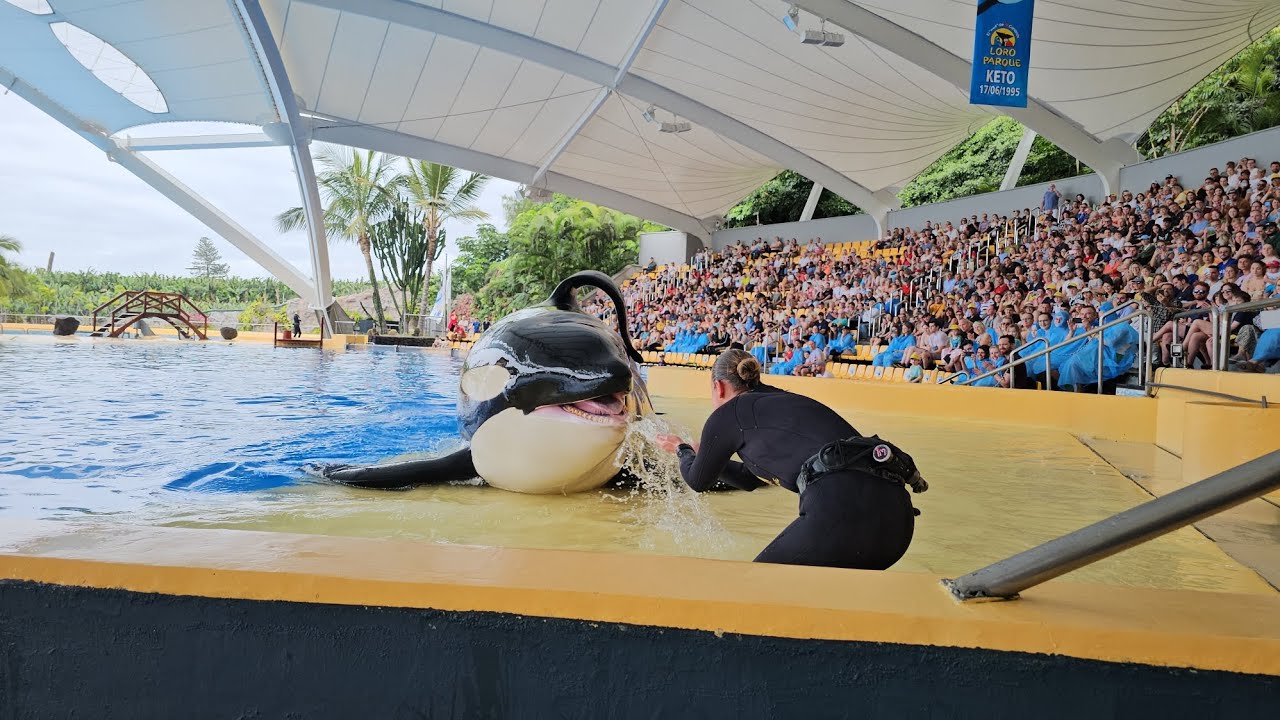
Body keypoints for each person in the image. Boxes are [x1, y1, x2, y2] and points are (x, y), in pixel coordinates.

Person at [655, 350, 926, 570]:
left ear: (718, 386)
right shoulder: (783, 400)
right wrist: (706, 456)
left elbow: (698, 481)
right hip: (896, 524)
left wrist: (682, 449)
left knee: (756, 586)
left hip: (843, 513)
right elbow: (751, 479)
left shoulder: (729, 413)